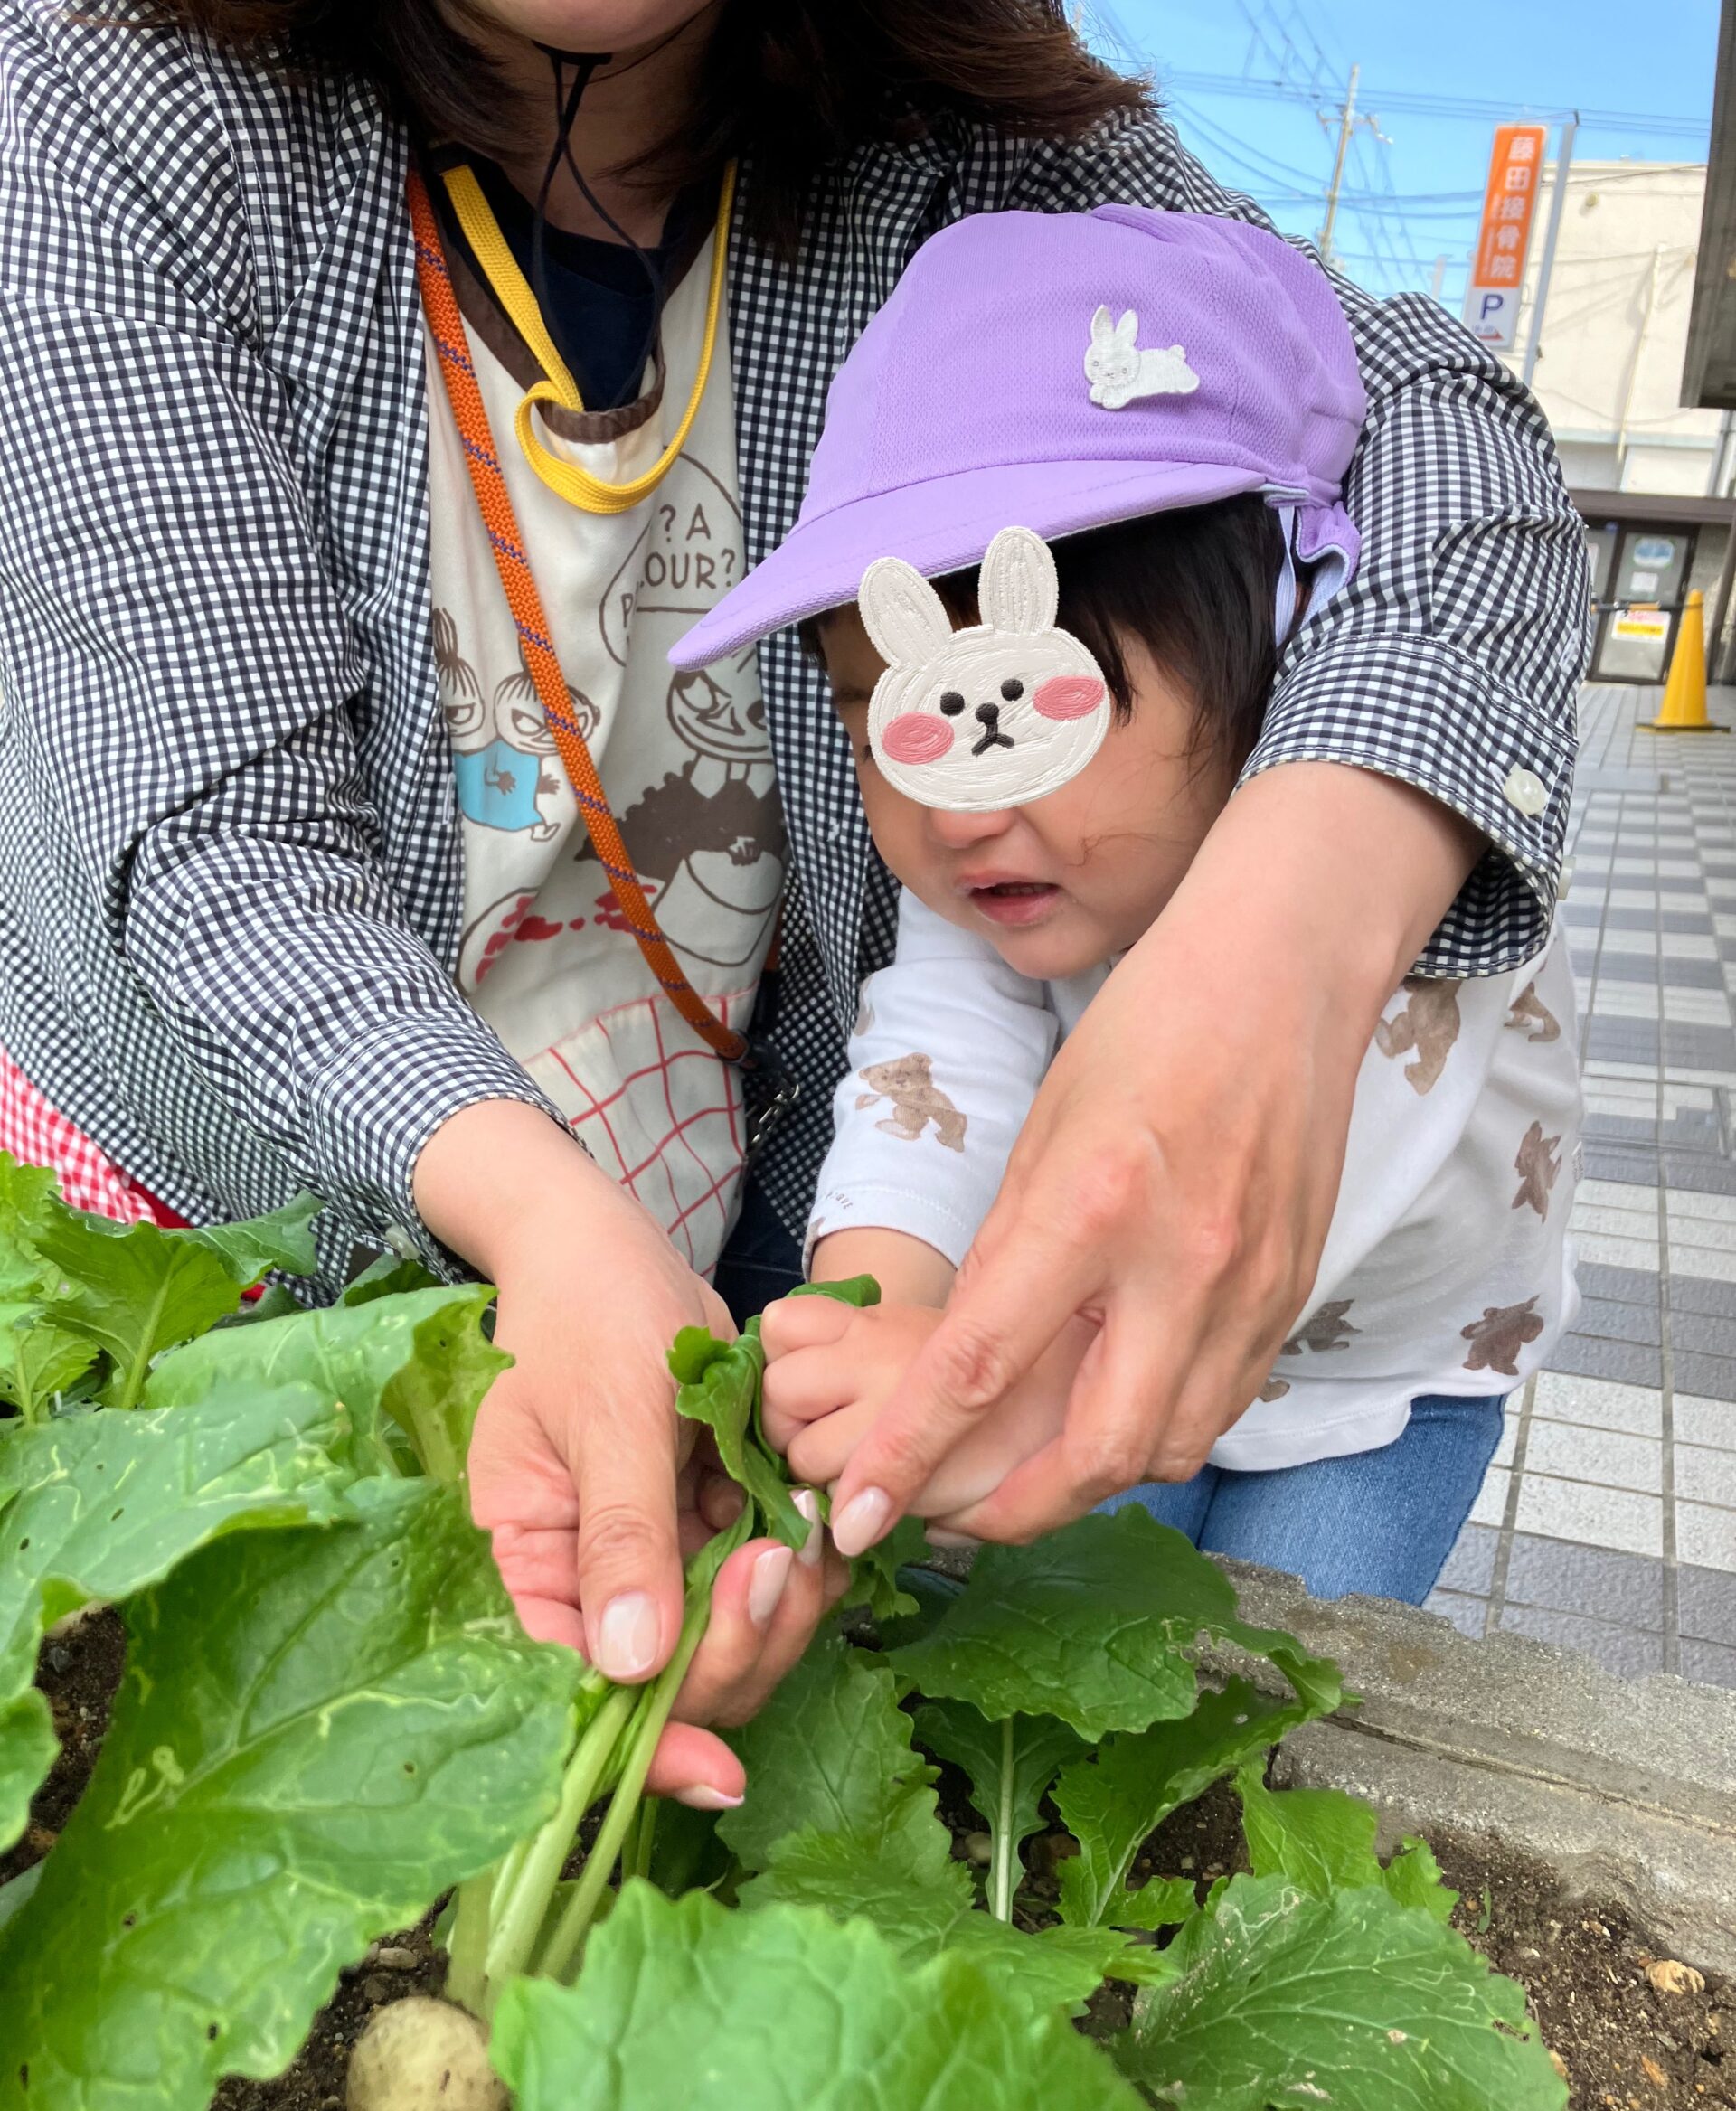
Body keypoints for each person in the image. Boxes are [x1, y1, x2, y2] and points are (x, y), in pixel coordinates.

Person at [0, 0, 1586, 1786]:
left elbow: (1438, 423)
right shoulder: (120, 91)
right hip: (259, 1189)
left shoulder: (956, 118)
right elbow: (226, 854)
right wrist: (555, 1233)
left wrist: (1277, 926)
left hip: (718, 1171)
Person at [671, 208, 1584, 1600]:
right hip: (1093, 1334)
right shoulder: (990, 862)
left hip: (1383, 1382)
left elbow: (1279, 1183)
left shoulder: (1374, 859)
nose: (963, 812)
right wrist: (869, 1320)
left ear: (1272, 651)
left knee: (1273, 1695)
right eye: (885, 724)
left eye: (1043, 712)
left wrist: (994, 1360)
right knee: (1064, 1665)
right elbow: (934, 1065)